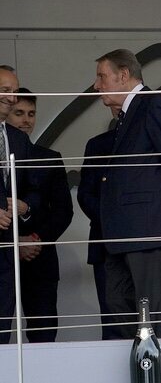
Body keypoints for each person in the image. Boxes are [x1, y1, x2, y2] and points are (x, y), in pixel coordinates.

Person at [93, 48, 161, 339]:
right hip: (120, 235)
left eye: (101, 77)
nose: (97, 86)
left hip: (148, 230)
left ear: (123, 75)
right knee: (118, 307)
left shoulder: (153, 104)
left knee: (153, 316)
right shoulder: (126, 115)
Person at [7, 89, 74, 342]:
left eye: (31, 114)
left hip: (40, 258)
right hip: (4, 258)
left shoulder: (49, 158)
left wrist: (34, 239)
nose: (26, 120)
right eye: (19, 113)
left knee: (44, 336)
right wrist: (15, 245)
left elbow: (62, 211)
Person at [0, 67, 40, 344]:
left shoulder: (18, 140)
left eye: (14, 91)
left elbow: (36, 188)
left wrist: (25, 208)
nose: (11, 98)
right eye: (5, 90)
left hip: (6, 254)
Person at [77, 105, 119, 340]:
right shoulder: (98, 145)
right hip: (105, 244)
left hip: (147, 244)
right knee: (112, 321)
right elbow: (85, 195)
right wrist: (114, 220)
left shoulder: (155, 142)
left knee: (150, 321)